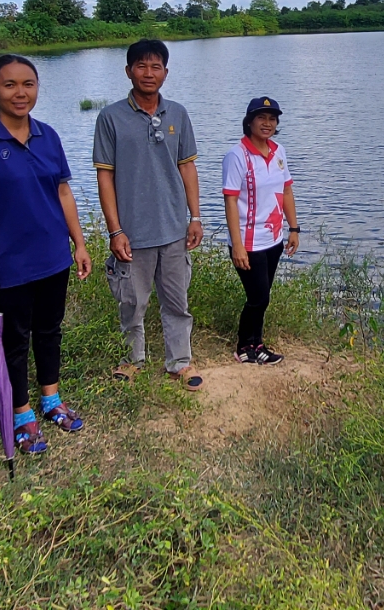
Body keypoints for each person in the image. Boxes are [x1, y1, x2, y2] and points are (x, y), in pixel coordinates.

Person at [0, 54, 94, 455]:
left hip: (53, 257)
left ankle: (51, 400)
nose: (20, 93)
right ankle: (22, 413)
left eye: (28, 84)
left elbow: (63, 192)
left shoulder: (48, 136)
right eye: (10, 85)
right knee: (15, 340)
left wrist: (80, 242)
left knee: (50, 329)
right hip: (10, 265)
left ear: (37, 88)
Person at [93, 39, 205, 391]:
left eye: (156, 66)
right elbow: (105, 175)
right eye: (141, 66)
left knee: (177, 301)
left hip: (173, 228)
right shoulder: (111, 117)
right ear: (128, 71)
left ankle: (180, 362)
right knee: (132, 302)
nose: (148, 73)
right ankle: (133, 361)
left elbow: (187, 169)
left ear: (165, 73)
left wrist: (195, 217)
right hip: (133, 232)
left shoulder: (178, 113)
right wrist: (115, 230)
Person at [220, 96, 299, 365]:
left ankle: (258, 344)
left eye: (272, 119)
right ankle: (244, 346)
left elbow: (286, 189)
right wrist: (237, 244)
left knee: (263, 298)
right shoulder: (237, 155)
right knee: (258, 297)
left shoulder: (279, 151)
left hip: (274, 239)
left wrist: (294, 228)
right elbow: (230, 199)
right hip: (248, 241)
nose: (267, 123)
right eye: (261, 118)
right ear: (249, 121)